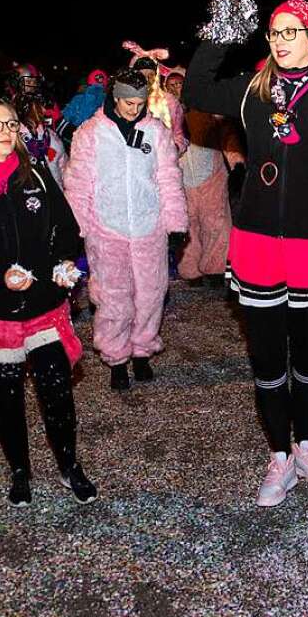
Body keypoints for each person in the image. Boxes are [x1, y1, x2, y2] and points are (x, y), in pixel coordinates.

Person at [184, 0, 308, 507]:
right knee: (268, 361)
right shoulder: (254, 89)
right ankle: (280, 459)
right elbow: (196, 90)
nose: (281, 40)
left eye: (292, 31)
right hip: (258, 245)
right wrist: (219, 33)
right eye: (274, 32)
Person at [0, 98, 96, 507]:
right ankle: (20, 472)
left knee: (57, 390)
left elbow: (67, 227)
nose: (7, 132)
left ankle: (69, 465)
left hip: (44, 304)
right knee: (7, 400)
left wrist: (64, 261)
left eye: (11, 124)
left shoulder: (36, 173)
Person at [63, 69, 188, 390]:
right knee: (113, 298)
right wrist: (75, 227)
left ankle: (142, 351)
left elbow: (168, 178)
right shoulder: (90, 133)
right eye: (127, 102)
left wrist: (175, 221)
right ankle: (117, 359)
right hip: (107, 230)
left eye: (139, 102)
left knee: (151, 293)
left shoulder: (156, 132)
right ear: (114, 97)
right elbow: (78, 184)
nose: (134, 108)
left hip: (149, 229)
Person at [177, 71, 238, 288]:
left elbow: (227, 136)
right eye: (171, 84)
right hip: (181, 181)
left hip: (212, 177)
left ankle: (216, 268)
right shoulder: (164, 112)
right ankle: (190, 269)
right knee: (187, 225)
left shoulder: (207, 110)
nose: (176, 88)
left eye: (180, 84)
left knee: (217, 223)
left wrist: (236, 161)